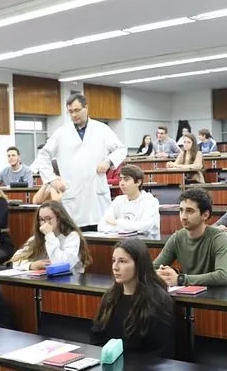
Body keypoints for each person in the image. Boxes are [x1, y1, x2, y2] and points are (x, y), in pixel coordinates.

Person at [33, 94, 126, 230]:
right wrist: (52, 180)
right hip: (73, 196)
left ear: (86, 108)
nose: (74, 115)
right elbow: (42, 156)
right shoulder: (61, 133)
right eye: (70, 112)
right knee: (75, 235)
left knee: (101, 232)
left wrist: (108, 162)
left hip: (96, 194)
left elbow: (121, 149)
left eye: (77, 110)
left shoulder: (101, 129)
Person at [91, 238, 175, 357]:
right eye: (113, 261)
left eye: (123, 261)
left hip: (143, 366)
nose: (115, 267)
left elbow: (160, 350)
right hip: (111, 363)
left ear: (139, 265)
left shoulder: (158, 301)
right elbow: (97, 336)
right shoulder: (110, 297)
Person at [154, 188, 227, 288]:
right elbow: (153, 268)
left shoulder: (219, 238)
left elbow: (222, 276)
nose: (183, 217)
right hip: (189, 293)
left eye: (190, 211)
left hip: (218, 294)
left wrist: (180, 279)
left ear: (205, 215)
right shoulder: (177, 238)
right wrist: (162, 274)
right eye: (181, 210)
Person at [11, 201, 92, 273]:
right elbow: (15, 260)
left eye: (48, 218)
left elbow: (62, 264)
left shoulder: (72, 236)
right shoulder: (37, 238)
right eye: (41, 219)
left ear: (59, 218)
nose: (44, 223)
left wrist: (49, 235)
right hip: (45, 280)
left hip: (69, 281)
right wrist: (31, 265)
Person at [97, 165, 160, 234]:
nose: (122, 183)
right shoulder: (118, 200)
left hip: (146, 240)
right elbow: (101, 226)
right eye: (120, 179)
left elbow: (144, 226)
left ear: (138, 182)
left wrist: (116, 223)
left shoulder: (150, 201)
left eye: (126, 179)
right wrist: (125, 227)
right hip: (121, 239)